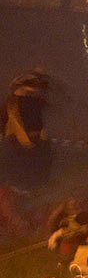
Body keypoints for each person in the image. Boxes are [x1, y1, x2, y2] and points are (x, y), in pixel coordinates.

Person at [1, 69, 53, 232]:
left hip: (32, 146)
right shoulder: (14, 101)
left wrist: (42, 144)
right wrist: (26, 142)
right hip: (20, 147)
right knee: (17, 187)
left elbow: (41, 126)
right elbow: (14, 119)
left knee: (33, 186)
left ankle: (32, 223)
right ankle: (19, 225)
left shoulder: (35, 103)